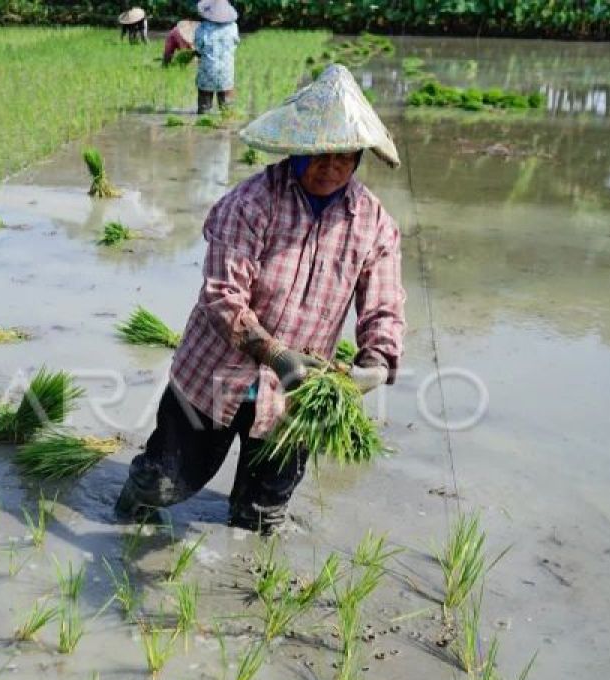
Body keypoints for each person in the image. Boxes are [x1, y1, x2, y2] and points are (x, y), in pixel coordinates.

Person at [114, 66, 406, 536]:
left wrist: (375, 360)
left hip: (296, 396)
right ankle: (130, 505)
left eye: (345, 156)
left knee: (262, 516)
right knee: (164, 484)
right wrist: (275, 354)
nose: (330, 168)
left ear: (360, 156)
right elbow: (222, 296)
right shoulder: (250, 203)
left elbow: (384, 304)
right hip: (215, 376)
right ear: (296, 149)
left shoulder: (373, 223)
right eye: (319, 155)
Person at [193, 0, 239, 113]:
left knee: (204, 109)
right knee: (227, 111)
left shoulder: (202, 28)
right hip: (226, 72)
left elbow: (199, 47)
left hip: (207, 72)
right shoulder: (233, 27)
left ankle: (204, 116)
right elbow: (235, 44)